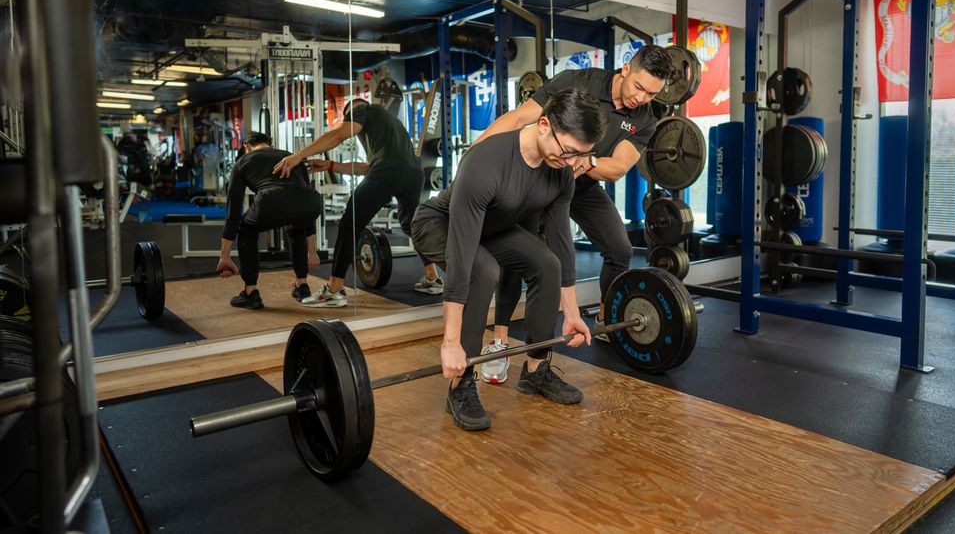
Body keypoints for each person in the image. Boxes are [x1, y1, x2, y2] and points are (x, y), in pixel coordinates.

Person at [473, 44, 677, 383]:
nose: (641, 98)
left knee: (620, 249)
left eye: (651, 93)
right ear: (625, 69)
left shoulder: (645, 117)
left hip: (582, 181)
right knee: (519, 254)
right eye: (639, 87)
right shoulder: (577, 81)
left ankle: (604, 320)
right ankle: (500, 341)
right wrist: (478, 149)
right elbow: (523, 116)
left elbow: (619, 166)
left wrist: (590, 161)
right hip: (541, 176)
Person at [410, 88, 606, 431]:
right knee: (482, 269)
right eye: (571, 151)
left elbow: (561, 243)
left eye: (583, 155)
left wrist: (572, 314)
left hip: (494, 226)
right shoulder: (485, 163)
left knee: (548, 263)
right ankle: (461, 384)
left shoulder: (561, 172)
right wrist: (451, 343)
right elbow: (460, 262)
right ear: (544, 125)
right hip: (439, 224)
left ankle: (535, 371)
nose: (575, 163)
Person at [273, 98, 442, 307]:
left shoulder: (364, 109)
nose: (348, 122)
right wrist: (330, 165)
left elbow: (338, 136)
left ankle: (334, 289)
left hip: (389, 172)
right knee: (410, 224)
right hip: (414, 174)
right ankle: (433, 277)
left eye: (347, 117)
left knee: (349, 223)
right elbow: (369, 168)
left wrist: (298, 156)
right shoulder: (391, 124)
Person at [216, 132, 322, 310]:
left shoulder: (243, 161)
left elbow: (233, 212)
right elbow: (303, 202)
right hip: (312, 202)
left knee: (246, 230)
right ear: (270, 144)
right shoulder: (291, 156)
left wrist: (224, 256)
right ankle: (302, 285)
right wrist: (312, 251)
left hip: (270, 201)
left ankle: (251, 292)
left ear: (246, 147)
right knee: (297, 226)